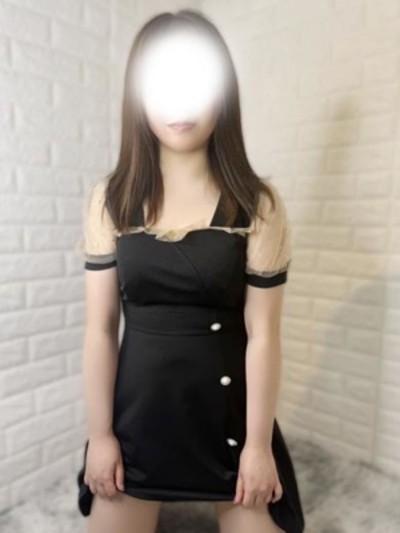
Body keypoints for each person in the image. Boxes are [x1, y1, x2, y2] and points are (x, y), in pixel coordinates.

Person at [75, 8, 305, 533]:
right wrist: (101, 435)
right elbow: (100, 329)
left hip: (230, 421)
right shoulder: (110, 200)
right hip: (138, 420)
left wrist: (258, 446)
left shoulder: (257, 204)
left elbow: (264, 335)